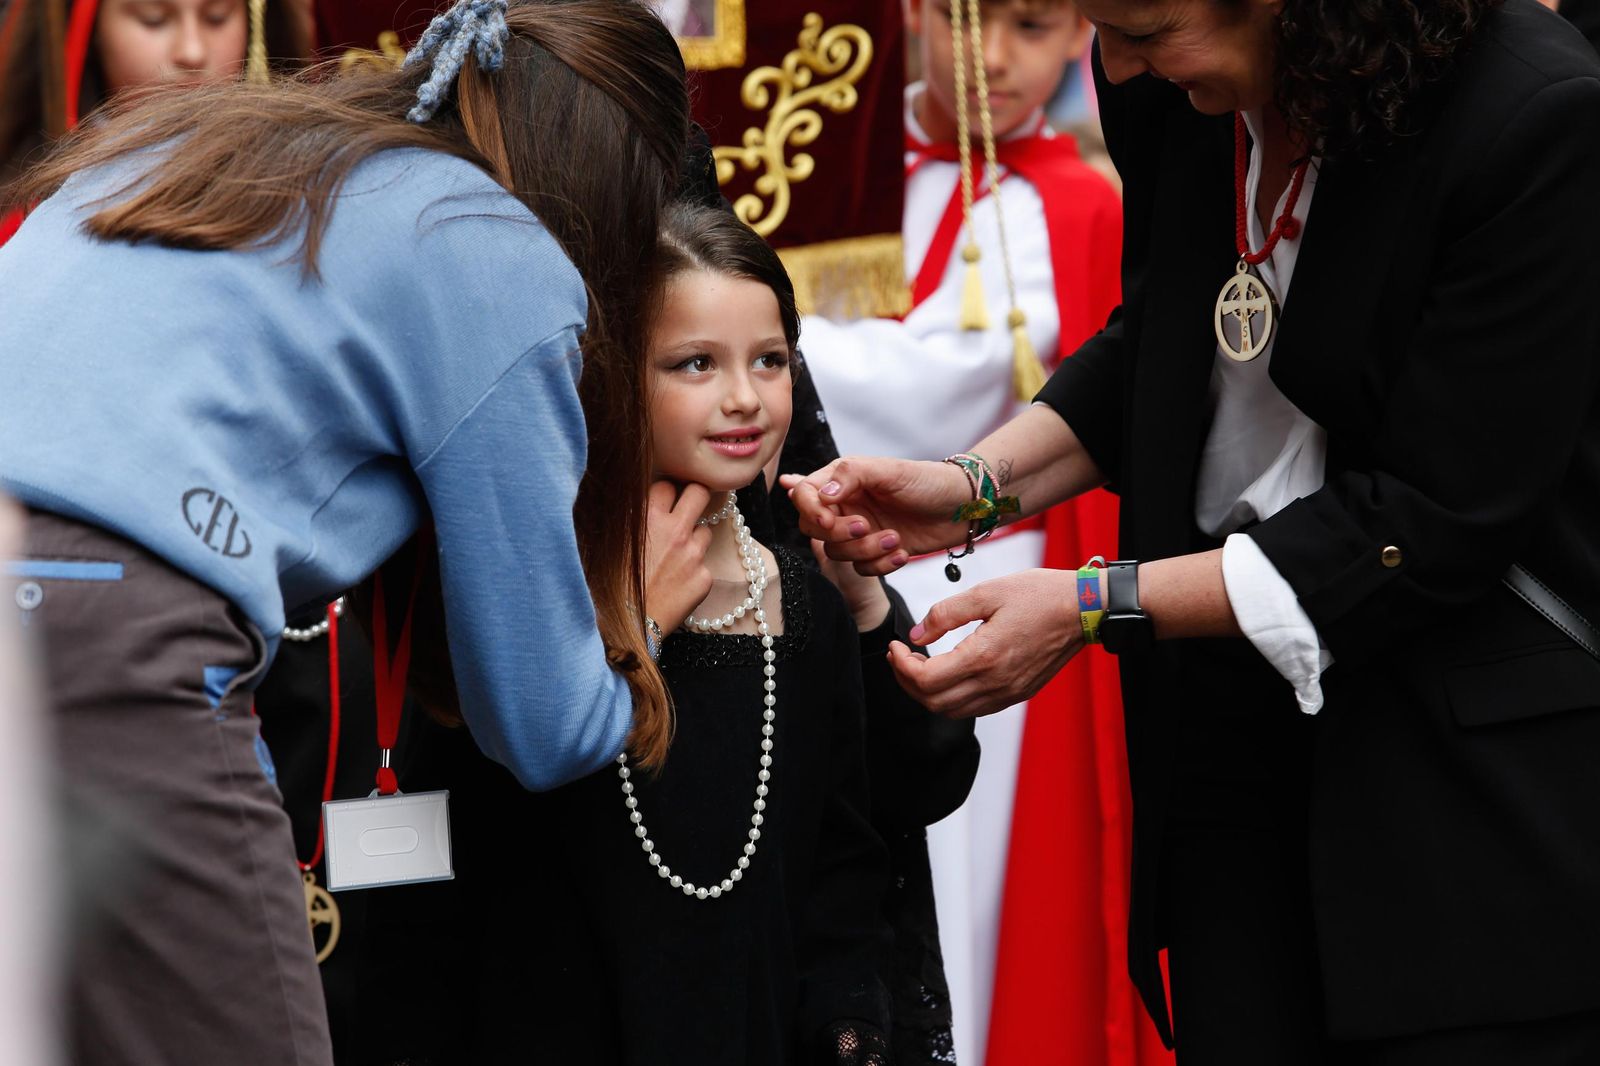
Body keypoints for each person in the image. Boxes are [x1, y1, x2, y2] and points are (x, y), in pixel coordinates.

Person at [786, 0, 1600, 1062]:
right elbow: (1168, 343)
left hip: (1451, 781)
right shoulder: (1176, 95)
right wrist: (971, 484)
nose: (1113, 66)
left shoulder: (1532, 114)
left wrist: (1096, 603)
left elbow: (1433, 519)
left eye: (1144, 29)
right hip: (1223, 734)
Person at [0, 1, 689, 1062]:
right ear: (621, 186)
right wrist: (647, 614)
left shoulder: (197, 141)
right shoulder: (494, 249)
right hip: (113, 634)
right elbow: (542, 724)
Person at [798, 2, 1140, 1061]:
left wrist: (779, 346)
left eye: (1032, 26)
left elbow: (941, 382)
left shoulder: (1086, 203)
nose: (990, 57)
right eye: (962, 18)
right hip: (837, 565)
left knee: (993, 886)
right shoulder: (823, 158)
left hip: (1013, 583)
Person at [0, 0, 308, 241]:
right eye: (154, 18)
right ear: (91, 32)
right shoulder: (24, 230)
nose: (192, 52)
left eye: (217, 15)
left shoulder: (302, 195)